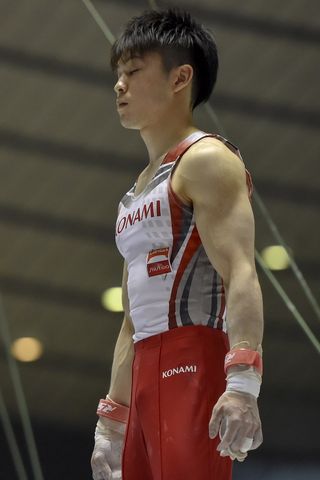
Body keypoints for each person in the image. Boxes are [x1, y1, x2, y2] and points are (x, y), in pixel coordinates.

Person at [91, 8, 263, 480]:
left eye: (133, 71)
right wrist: (112, 420)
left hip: (193, 357)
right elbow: (131, 319)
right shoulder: (134, 195)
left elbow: (241, 272)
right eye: (117, 75)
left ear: (180, 78)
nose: (119, 85)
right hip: (144, 369)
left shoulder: (206, 159)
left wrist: (243, 382)